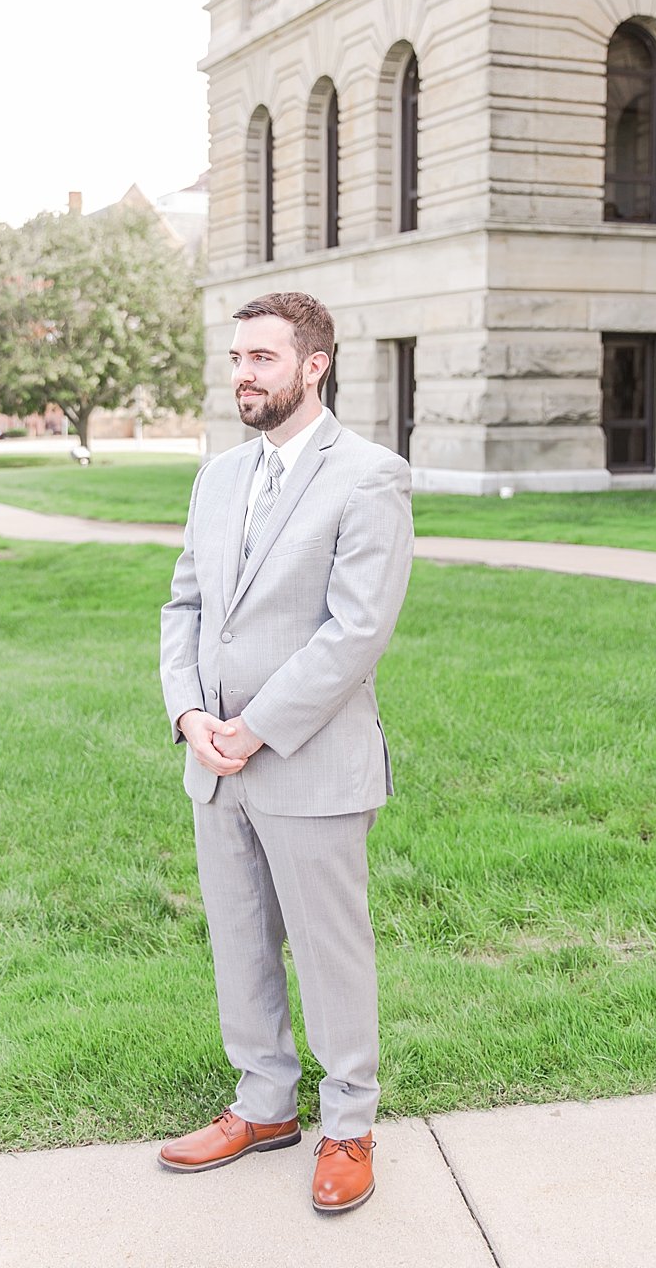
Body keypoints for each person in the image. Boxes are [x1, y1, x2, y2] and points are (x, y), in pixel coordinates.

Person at [156, 290, 415, 1215]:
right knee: (239, 942)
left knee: (328, 948)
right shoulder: (216, 478)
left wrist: (255, 726)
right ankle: (263, 1104)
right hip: (214, 762)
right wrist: (191, 715)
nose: (241, 375)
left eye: (261, 358)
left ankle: (349, 1122)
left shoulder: (371, 476)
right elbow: (183, 608)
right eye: (235, 358)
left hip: (309, 760)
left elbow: (355, 632)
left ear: (314, 366)